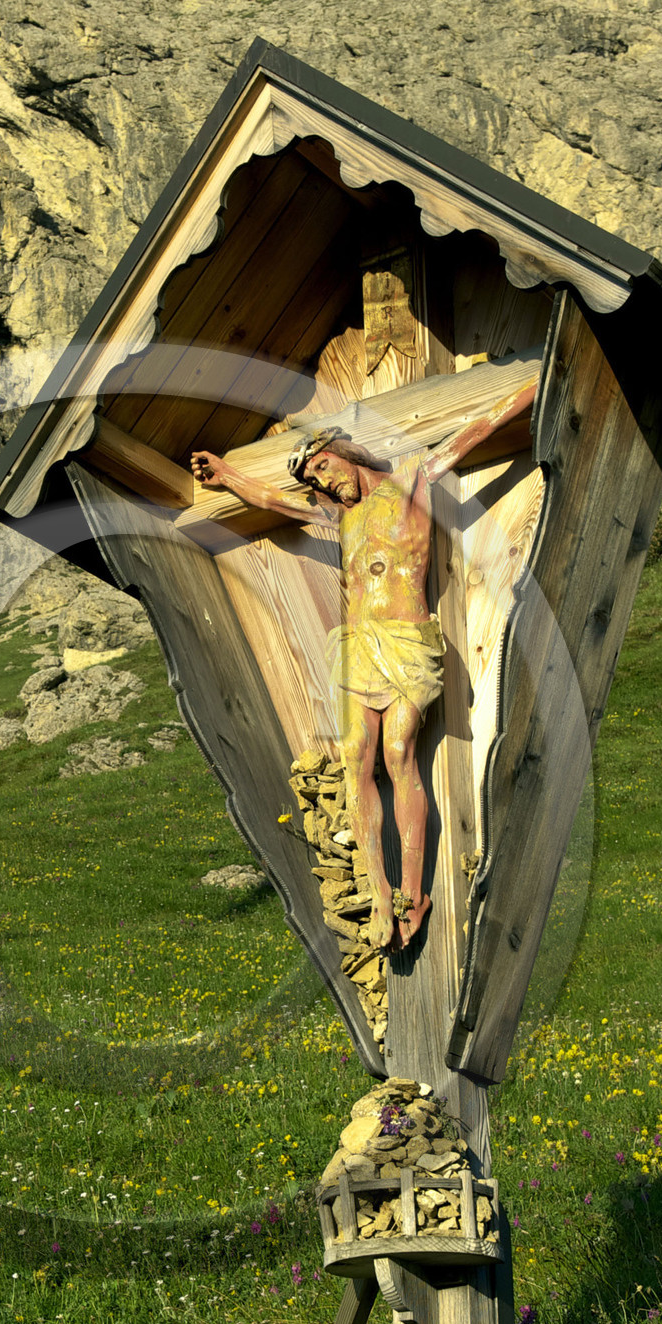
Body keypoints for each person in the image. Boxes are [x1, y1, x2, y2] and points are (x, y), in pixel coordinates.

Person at [191, 380, 533, 950]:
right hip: (358, 644)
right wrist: (227, 476)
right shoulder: (339, 519)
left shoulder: (410, 484)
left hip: (406, 641)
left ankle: (412, 892)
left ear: (345, 455)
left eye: (324, 468)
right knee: (355, 760)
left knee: (400, 756)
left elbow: (479, 430)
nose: (323, 483)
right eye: (315, 480)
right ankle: (379, 893)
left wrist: (530, 389)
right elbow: (276, 503)